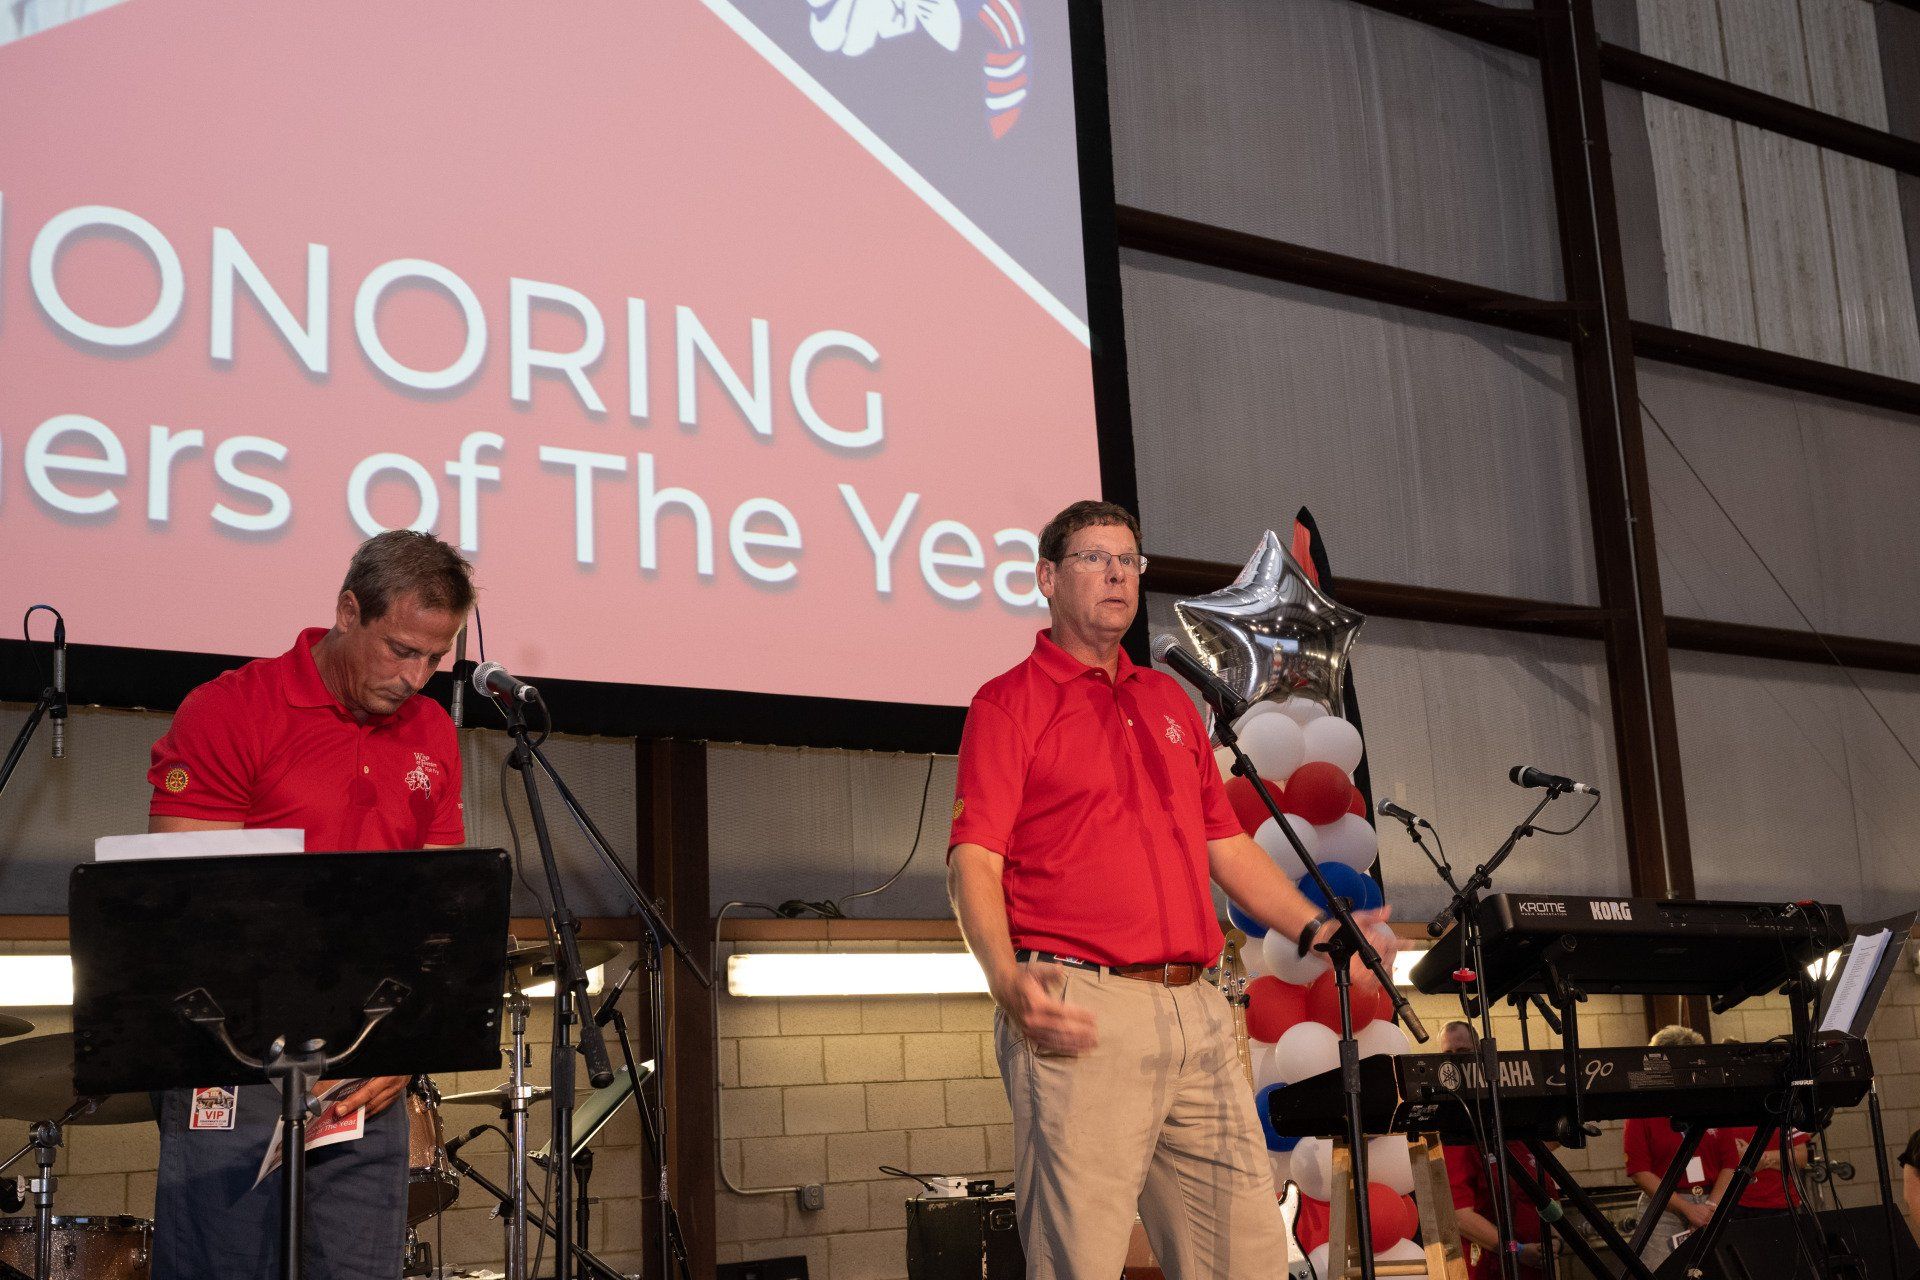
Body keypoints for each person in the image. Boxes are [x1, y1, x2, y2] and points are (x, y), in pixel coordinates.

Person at [945, 499, 1396, 1280]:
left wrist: (1314, 927)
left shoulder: (1168, 700)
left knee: (1245, 1255)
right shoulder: (1008, 702)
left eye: (1129, 559)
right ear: (1047, 578)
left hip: (1197, 1010)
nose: (1117, 573)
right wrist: (1005, 980)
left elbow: (1223, 842)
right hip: (1085, 1006)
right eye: (1095, 558)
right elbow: (972, 859)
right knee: (1079, 1259)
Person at [144, 530, 473, 1280]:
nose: (417, 677)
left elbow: (438, 911)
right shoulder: (232, 710)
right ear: (348, 611)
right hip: (232, 1061)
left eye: (435, 655)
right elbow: (189, 907)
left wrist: (408, 1042)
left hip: (366, 1070)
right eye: (399, 649)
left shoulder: (431, 732)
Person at [1622, 1025, 1720, 1267]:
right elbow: (1639, 1170)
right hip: (1663, 1210)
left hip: (1710, 1205)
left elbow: (1730, 1162)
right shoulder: (1642, 1108)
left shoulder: (1709, 1104)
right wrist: (1686, 1209)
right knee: (1662, 1271)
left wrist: (1708, 1207)